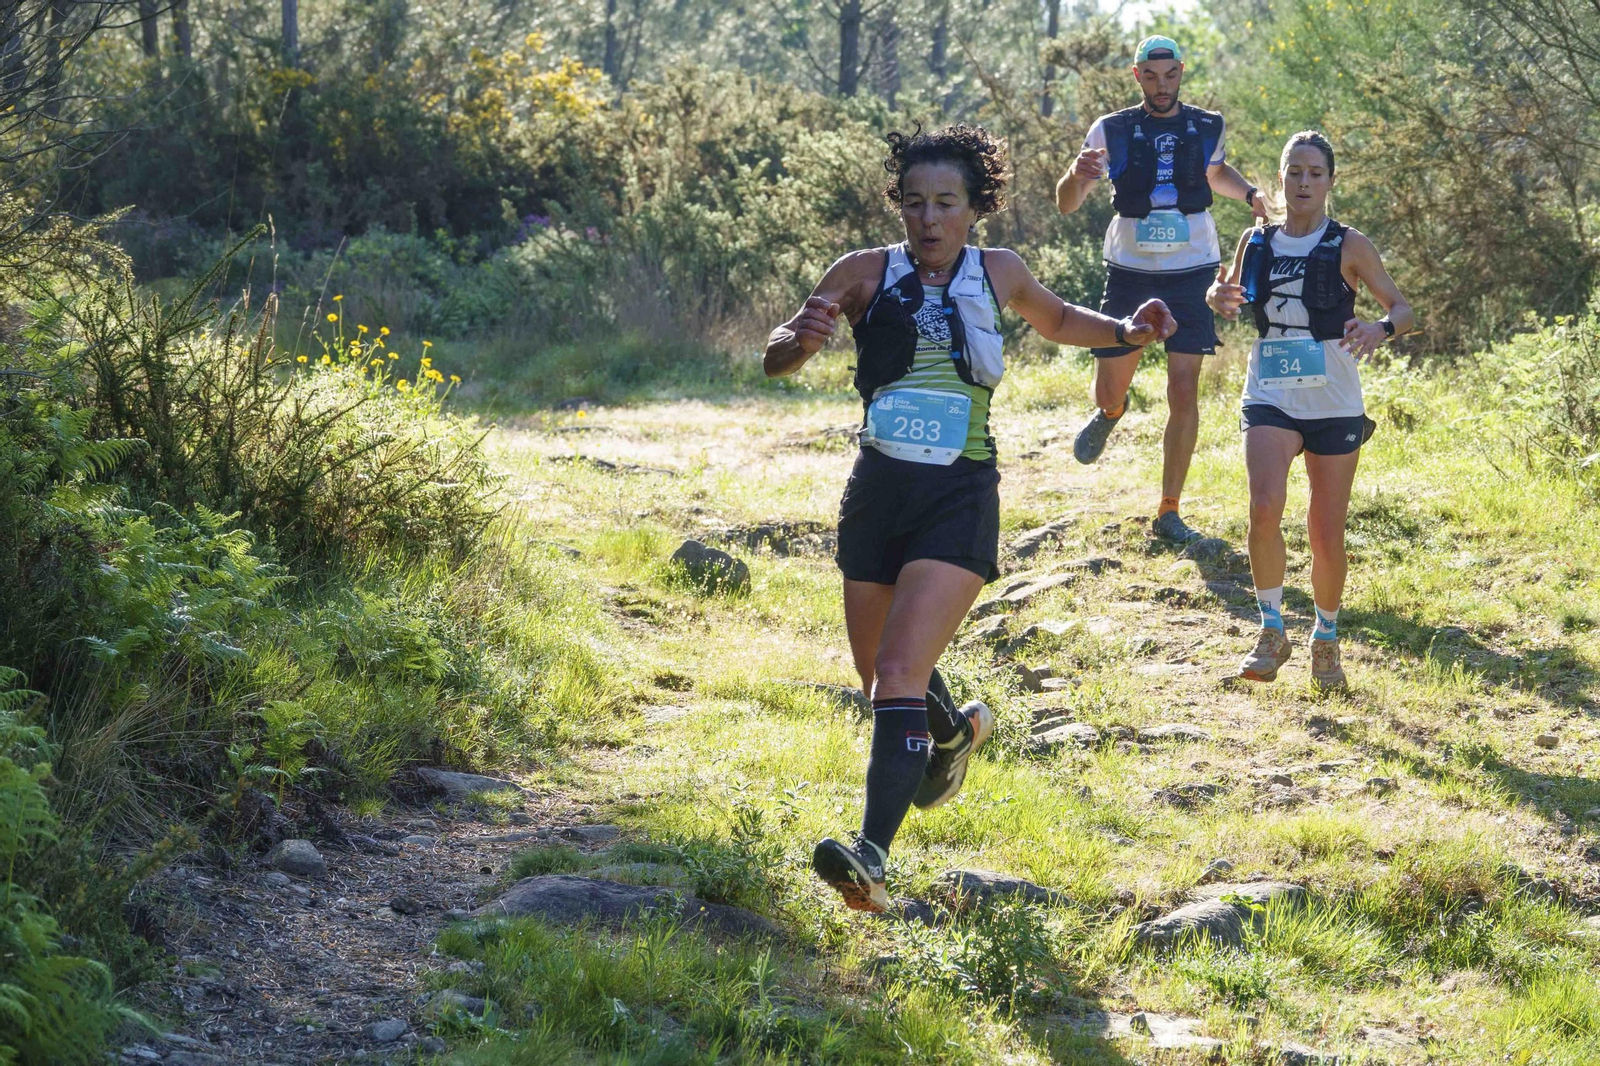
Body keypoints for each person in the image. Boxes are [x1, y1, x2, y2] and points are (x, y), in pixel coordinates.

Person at [764, 124, 1175, 912]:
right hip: (877, 492)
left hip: (959, 492)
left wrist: (1128, 332)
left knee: (896, 674)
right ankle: (949, 736)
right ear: (899, 206)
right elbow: (781, 351)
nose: (928, 218)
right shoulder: (860, 271)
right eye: (914, 202)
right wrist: (795, 341)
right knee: (879, 675)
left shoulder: (999, 272)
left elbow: (1056, 322)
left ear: (974, 208)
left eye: (945, 202)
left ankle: (870, 859)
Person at [1206, 130, 1414, 690]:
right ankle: (1272, 629)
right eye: (1293, 171)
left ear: (1329, 181)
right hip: (1270, 391)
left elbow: (1403, 307)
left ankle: (1326, 637)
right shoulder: (1257, 240)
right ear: (1280, 178)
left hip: (1334, 398)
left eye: (1314, 173)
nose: (1303, 181)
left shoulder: (1350, 244)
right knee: (1264, 507)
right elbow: (1224, 294)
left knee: (1325, 531)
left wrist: (1380, 327)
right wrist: (1216, 296)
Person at [1055, 33, 1269, 544]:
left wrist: (1252, 194)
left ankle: (1169, 509)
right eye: (1150, 77)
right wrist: (1074, 174)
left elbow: (1215, 173)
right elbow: (1067, 203)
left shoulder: (1207, 125)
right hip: (1130, 270)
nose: (1161, 85)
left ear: (1181, 72)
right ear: (1137, 77)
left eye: (1169, 75)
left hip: (1194, 270)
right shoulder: (1111, 129)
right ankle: (1111, 410)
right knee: (1111, 384)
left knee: (1183, 388)